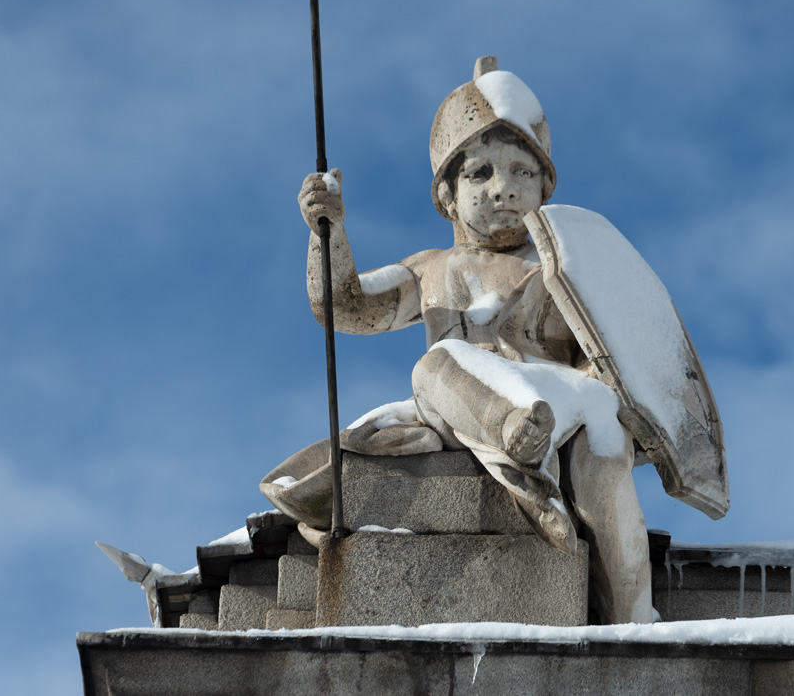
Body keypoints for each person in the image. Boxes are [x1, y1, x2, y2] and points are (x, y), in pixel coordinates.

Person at [262, 56, 654, 623]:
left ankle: (631, 620)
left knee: (603, 449)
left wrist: (603, 389)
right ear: (447, 194)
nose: (505, 189)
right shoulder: (431, 268)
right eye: (481, 174)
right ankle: (513, 432)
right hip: (461, 404)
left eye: (522, 173)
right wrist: (330, 233)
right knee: (433, 366)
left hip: (558, 400)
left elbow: (617, 356)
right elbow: (343, 305)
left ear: (545, 187)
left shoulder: (567, 269)